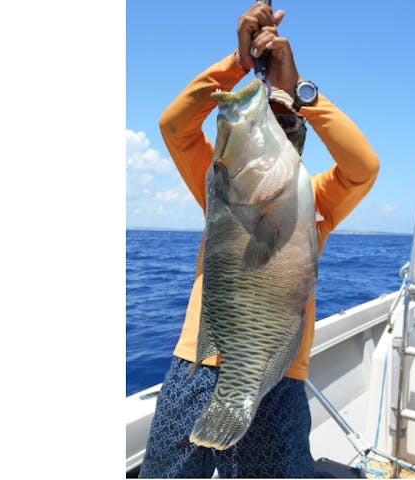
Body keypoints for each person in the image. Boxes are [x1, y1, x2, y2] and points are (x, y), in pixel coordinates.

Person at [138, 3, 379, 478]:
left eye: (285, 117)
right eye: (262, 116)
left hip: (277, 373)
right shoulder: (223, 187)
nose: (273, 120)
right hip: (197, 361)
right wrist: (238, 64)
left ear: (299, 134)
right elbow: (174, 126)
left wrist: (300, 92)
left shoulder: (314, 200)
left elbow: (364, 167)